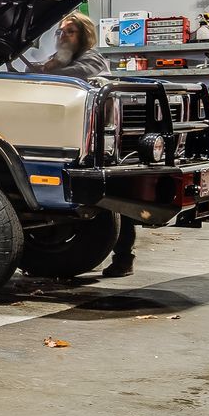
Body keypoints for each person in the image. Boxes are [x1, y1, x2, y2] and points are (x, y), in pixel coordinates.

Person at [35, 14, 134, 277]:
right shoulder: (60, 60)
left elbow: (74, 75)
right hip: (78, 142)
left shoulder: (91, 58)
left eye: (70, 32)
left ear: (84, 36)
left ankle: (125, 257)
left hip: (105, 143)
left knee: (117, 203)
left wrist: (46, 69)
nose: (62, 36)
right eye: (59, 32)